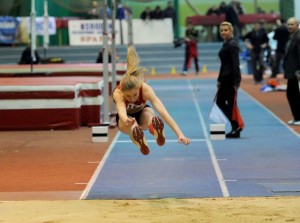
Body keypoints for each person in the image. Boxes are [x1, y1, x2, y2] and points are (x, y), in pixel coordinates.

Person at [112, 46, 190, 155]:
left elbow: (164, 113)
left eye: (135, 94)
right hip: (126, 120)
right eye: (128, 96)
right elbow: (121, 110)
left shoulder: (145, 89)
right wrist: (126, 119)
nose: (132, 99)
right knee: (133, 127)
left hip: (143, 113)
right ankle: (141, 142)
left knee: (150, 116)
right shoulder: (118, 93)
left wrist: (180, 134)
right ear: (123, 92)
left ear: (139, 87)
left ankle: (155, 130)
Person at [216, 22, 244, 138]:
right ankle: (235, 127)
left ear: (231, 31)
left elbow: (235, 64)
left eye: (225, 30)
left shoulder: (232, 45)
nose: (223, 32)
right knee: (226, 103)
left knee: (224, 103)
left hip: (230, 79)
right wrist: (219, 80)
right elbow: (223, 64)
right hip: (224, 78)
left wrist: (237, 82)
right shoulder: (226, 43)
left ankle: (236, 127)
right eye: (221, 30)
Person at [283, 17, 300, 126]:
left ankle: (298, 117)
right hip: (291, 72)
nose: (289, 26)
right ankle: (296, 117)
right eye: (288, 24)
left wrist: (299, 70)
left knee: (294, 95)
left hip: (296, 72)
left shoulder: (298, 38)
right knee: (291, 94)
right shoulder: (292, 37)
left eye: (292, 24)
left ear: (297, 25)